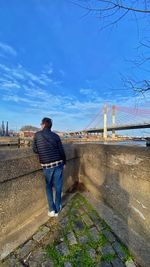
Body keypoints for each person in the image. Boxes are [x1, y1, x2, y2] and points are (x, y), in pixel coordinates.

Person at [32, 117, 66, 217]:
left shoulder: (37, 135)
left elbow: (35, 150)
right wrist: (64, 162)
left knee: (48, 186)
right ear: (50, 126)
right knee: (58, 186)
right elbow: (61, 151)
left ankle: (51, 209)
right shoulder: (56, 136)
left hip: (46, 166)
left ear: (43, 125)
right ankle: (58, 206)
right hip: (58, 164)